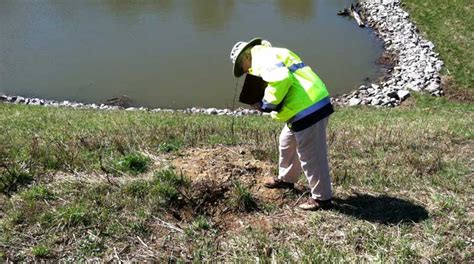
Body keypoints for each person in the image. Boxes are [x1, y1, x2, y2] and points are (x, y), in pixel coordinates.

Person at [229, 38, 334, 210]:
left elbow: (281, 79)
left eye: (242, 67)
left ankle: (322, 199)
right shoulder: (271, 53)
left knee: (312, 155)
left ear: (246, 56)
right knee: (286, 142)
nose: (246, 71)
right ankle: (286, 180)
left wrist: (265, 104)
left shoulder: (261, 59)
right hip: (304, 104)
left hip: (308, 107)